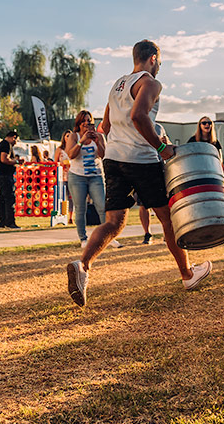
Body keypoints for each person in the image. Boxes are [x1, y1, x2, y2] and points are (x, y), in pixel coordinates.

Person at [66, 39, 211, 306]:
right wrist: (162, 147)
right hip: (142, 160)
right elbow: (138, 116)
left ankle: (82, 265)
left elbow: (106, 125)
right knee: (168, 219)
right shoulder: (151, 83)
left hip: (113, 159)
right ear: (153, 58)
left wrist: (112, 146)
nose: (160, 67)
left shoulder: (117, 85)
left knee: (113, 223)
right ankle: (188, 275)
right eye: (160, 61)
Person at [66, 109, 120, 248]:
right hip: (77, 176)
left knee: (102, 206)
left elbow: (104, 155)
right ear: (78, 123)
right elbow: (71, 155)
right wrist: (82, 141)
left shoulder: (99, 137)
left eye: (89, 122)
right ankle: (83, 238)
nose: (86, 124)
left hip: (96, 175)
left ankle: (108, 237)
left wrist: (97, 141)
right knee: (80, 208)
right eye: (83, 121)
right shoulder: (74, 136)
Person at [0, 131, 23, 229]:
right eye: (16, 140)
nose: (15, 143)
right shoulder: (6, 145)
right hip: (4, 175)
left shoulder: (0, 145)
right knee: (9, 199)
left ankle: (3, 221)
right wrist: (16, 161)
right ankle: (10, 222)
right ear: (13, 137)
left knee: (2, 199)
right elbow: (4, 159)